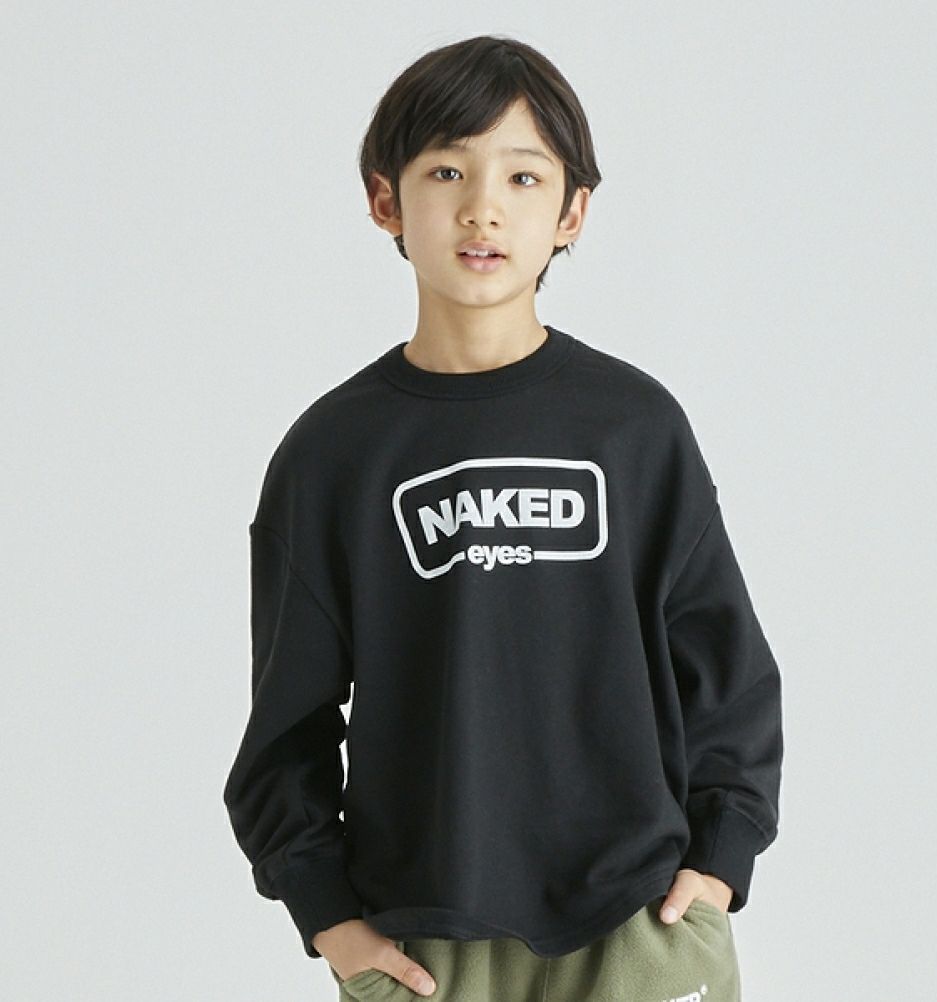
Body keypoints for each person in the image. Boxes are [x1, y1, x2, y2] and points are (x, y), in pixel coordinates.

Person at [222, 34, 783, 1002]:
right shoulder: (332, 455)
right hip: (426, 943)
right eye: (447, 170)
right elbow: (286, 725)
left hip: (639, 918)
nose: (483, 207)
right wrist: (329, 918)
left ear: (572, 213)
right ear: (386, 199)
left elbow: (725, 668)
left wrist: (721, 859)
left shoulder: (633, 428)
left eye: (523, 177)